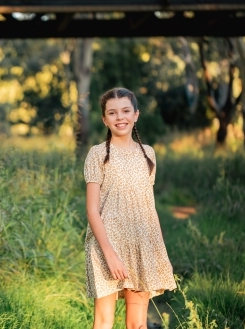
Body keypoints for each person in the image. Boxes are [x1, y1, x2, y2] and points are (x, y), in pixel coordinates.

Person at [84, 87, 176, 329]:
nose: (120, 117)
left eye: (125, 111)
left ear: (136, 114)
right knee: (104, 322)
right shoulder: (97, 155)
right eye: (112, 113)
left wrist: (157, 250)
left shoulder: (148, 154)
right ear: (104, 119)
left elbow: (148, 206)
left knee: (137, 325)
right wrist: (110, 254)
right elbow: (92, 211)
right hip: (107, 244)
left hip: (141, 243)